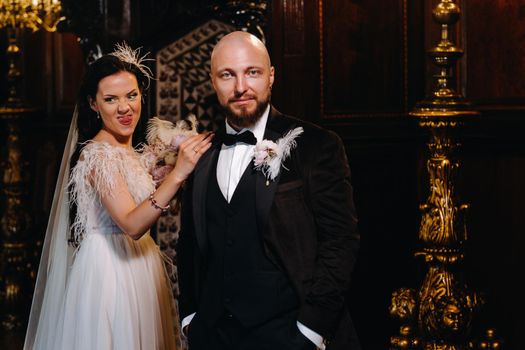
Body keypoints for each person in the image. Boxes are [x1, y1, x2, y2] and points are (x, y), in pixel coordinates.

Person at [177, 31, 361, 350]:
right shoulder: (198, 154)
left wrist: (311, 331)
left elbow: (341, 242)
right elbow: (189, 244)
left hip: (290, 335)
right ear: (212, 80)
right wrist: (190, 318)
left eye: (252, 72)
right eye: (227, 75)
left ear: (271, 76)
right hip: (212, 335)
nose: (240, 87)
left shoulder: (317, 146)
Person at [24, 44, 213, 350]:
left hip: (139, 263)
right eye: (110, 99)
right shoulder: (99, 155)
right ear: (93, 105)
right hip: (110, 273)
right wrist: (179, 173)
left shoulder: (127, 151)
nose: (125, 108)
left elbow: (141, 203)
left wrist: (161, 175)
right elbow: (132, 223)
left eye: (131, 95)